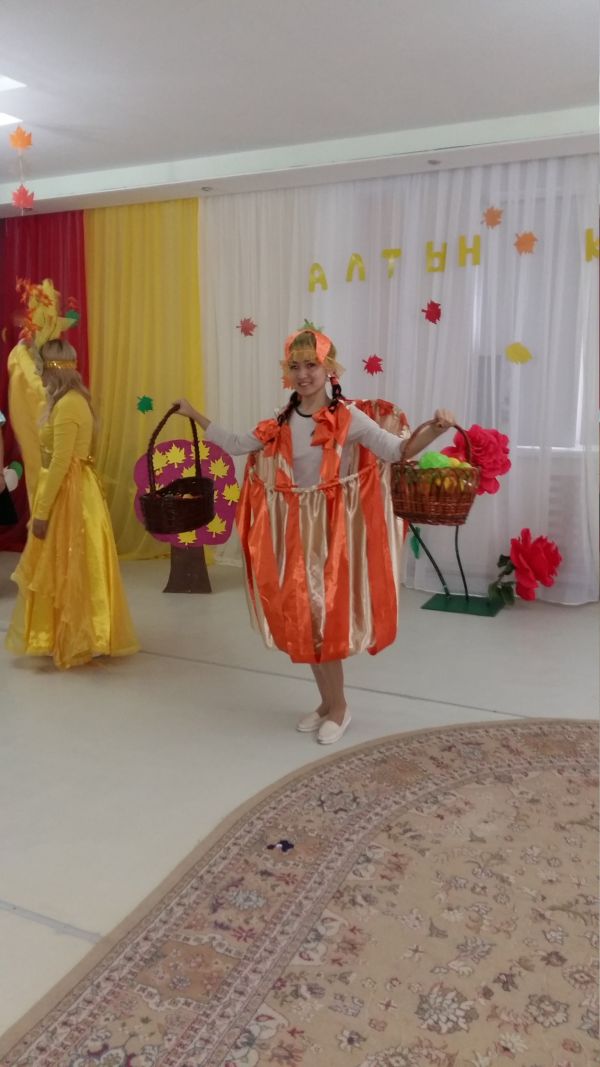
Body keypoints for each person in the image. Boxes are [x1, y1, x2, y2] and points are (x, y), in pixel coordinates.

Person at [176, 327, 455, 744]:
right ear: (287, 372)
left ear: (329, 370)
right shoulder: (282, 418)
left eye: (312, 365)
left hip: (330, 534)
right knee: (305, 621)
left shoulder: (349, 418)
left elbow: (397, 451)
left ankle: (340, 708)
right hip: (294, 532)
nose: (303, 374)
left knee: (324, 622)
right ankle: (325, 703)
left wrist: (436, 429)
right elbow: (236, 443)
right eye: (296, 366)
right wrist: (194, 415)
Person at [5, 337, 139, 669]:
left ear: (53, 370)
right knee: (68, 565)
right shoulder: (67, 401)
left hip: (71, 494)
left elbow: (61, 463)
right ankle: (70, 632)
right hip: (73, 489)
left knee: (75, 564)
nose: (39, 375)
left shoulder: (68, 405)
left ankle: (84, 635)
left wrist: (41, 512)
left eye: (41, 368)